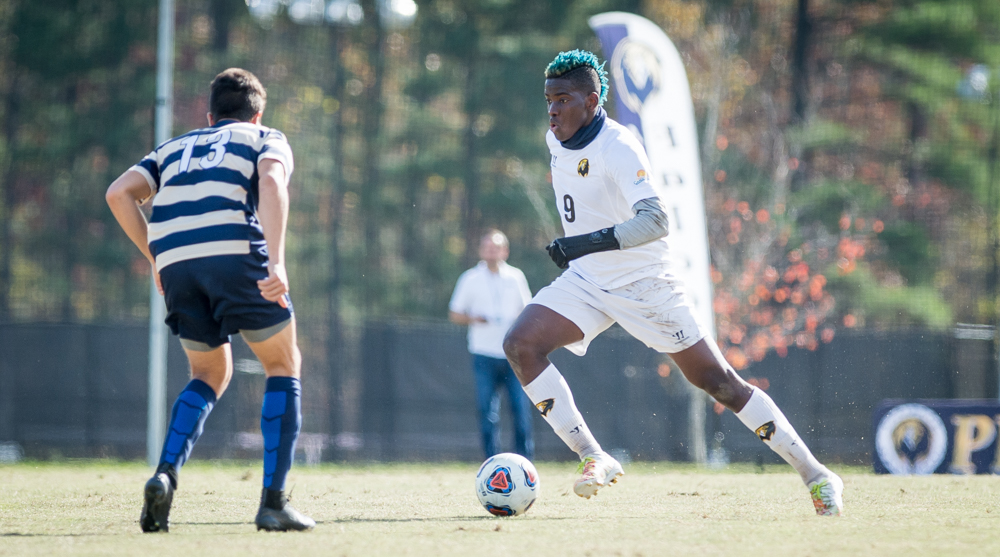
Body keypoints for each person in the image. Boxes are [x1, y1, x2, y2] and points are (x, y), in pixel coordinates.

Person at [502, 50, 844, 516]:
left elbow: (657, 220)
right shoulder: (556, 138)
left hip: (645, 284)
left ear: (592, 99)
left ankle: (817, 475)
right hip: (587, 281)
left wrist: (582, 243)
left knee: (719, 383)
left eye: (563, 99)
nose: (553, 110)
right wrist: (583, 253)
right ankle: (593, 456)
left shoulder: (618, 148)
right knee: (521, 344)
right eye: (548, 100)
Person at [106, 68, 315, 532]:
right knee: (282, 365)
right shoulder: (265, 137)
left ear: (209, 115)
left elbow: (119, 194)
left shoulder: (173, 148)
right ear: (257, 115)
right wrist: (277, 262)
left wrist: (158, 258)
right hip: (236, 257)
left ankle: (164, 475)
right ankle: (273, 502)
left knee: (208, 372)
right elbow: (272, 184)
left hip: (180, 266)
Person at [449, 230, 535, 460]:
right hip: (483, 354)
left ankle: (525, 463)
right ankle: (491, 461)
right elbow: (455, 313)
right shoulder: (470, 278)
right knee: (487, 411)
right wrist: (474, 318)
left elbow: (527, 310)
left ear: (505, 251)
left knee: (520, 409)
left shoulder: (516, 277)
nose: (491, 251)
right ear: (481, 250)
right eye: (487, 247)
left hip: (512, 355)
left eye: (496, 247)